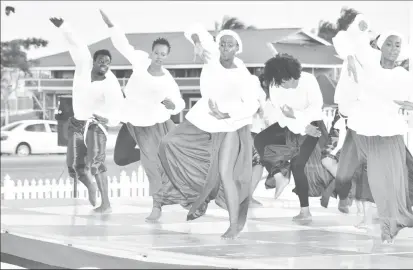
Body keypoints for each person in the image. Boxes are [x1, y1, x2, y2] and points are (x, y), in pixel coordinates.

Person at [149, 23, 260, 239]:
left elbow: (251, 104)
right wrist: (198, 42)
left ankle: (233, 225)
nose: (226, 47)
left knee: (226, 173)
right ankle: (193, 191)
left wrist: (227, 115)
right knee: (168, 144)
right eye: (223, 43)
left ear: (237, 48)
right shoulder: (211, 55)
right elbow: (191, 28)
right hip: (203, 119)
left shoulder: (243, 74)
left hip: (230, 124)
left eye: (230, 44)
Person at [333, 30, 413, 243]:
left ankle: (388, 227)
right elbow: (343, 37)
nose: (393, 49)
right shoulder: (366, 61)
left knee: (381, 182)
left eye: (397, 45)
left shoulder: (404, 76)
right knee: (348, 176)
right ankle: (346, 198)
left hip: (387, 133)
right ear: (380, 45)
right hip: (360, 128)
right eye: (389, 44)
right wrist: (349, 56)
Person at [99, 11, 185, 203]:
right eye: (156, 53)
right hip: (131, 122)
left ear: (167, 56)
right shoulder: (140, 61)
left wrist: (173, 105)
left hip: (150, 126)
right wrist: (112, 26)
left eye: (163, 54)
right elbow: (123, 46)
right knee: (120, 158)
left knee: (155, 171)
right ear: (152, 52)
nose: (159, 57)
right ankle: (153, 153)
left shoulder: (167, 80)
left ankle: (162, 198)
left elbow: (179, 102)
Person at [50, 17, 124, 213]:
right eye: (101, 61)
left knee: (97, 164)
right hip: (77, 123)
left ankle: (106, 203)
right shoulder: (83, 65)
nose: (104, 65)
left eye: (108, 63)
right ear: (95, 61)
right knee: (74, 167)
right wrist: (64, 26)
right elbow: (78, 44)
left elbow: (118, 106)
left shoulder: (111, 82)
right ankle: (91, 187)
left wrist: (109, 119)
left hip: (95, 125)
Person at [254, 53, 330, 222]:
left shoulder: (309, 80)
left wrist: (303, 123)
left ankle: (305, 211)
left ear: (295, 74)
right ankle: (279, 175)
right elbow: (283, 115)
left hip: (313, 125)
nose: (286, 85)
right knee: (259, 140)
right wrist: (302, 124)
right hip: (290, 124)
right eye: (281, 82)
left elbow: (315, 108)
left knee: (298, 164)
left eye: (289, 81)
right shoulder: (276, 86)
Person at [249, 74, 270, 207]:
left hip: (255, 131)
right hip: (253, 131)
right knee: (258, 163)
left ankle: (246, 196)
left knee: (255, 163)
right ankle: (247, 197)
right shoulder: (256, 88)